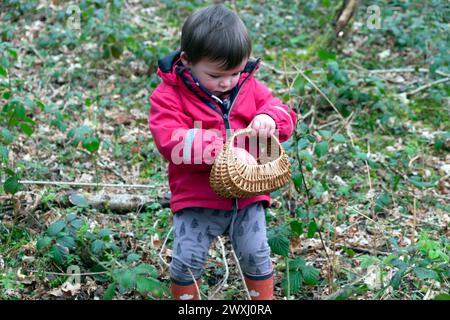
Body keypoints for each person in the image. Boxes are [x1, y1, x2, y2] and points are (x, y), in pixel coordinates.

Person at [148, 4, 297, 300]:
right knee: (188, 259)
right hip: (197, 198)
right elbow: (171, 140)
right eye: (216, 75)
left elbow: (282, 111)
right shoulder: (169, 96)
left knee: (256, 253)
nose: (227, 82)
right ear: (188, 61)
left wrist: (270, 118)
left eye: (235, 72)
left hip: (248, 195)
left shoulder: (248, 87)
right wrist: (224, 150)